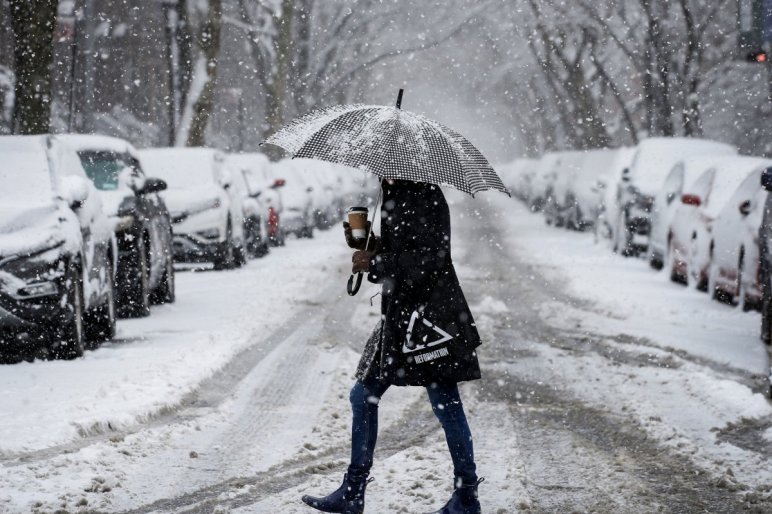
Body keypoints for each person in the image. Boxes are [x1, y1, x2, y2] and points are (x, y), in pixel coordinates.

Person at [301, 179, 483, 514]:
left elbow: (431, 258)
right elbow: (406, 248)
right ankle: (353, 491)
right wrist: (371, 243)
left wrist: (377, 263)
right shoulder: (396, 192)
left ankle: (467, 495)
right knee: (363, 395)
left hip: (429, 320)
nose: (373, 170)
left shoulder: (423, 194)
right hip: (401, 316)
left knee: (445, 401)